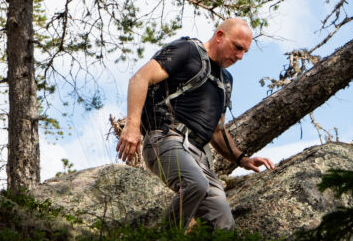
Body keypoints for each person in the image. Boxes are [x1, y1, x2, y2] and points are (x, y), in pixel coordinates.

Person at [115, 18, 274, 229]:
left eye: (244, 52)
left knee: (224, 225)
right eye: (237, 47)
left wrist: (242, 159)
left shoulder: (225, 81)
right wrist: (132, 126)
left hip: (199, 156)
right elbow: (140, 79)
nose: (240, 57)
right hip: (165, 138)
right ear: (220, 36)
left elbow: (217, 131)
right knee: (195, 184)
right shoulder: (187, 50)